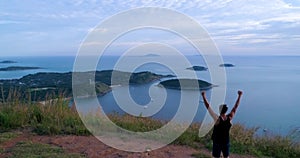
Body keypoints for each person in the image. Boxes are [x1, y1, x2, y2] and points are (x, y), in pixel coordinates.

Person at [201, 90, 243, 158]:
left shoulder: (217, 119)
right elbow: (235, 107)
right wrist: (239, 96)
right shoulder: (229, 117)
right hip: (226, 141)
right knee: (226, 156)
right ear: (226, 110)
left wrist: (203, 96)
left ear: (219, 110)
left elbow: (208, 107)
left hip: (217, 141)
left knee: (216, 156)